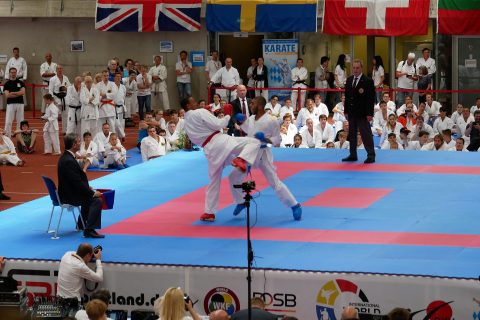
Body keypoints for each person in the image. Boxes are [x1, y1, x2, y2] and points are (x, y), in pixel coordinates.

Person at [183, 96, 261, 222]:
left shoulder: (186, 123)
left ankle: (209, 212)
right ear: (187, 105)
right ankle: (241, 159)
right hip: (222, 142)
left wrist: (212, 113)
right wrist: (227, 115)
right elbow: (219, 124)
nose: (196, 102)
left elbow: (199, 135)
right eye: (192, 101)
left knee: (214, 181)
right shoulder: (200, 112)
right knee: (254, 142)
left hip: (210, 150)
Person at [230, 96, 302, 220]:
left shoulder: (271, 120)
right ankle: (241, 201)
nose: (250, 105)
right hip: (249, 154)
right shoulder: (251, 118)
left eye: (252, 103)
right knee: (233, 176)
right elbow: (249, 130)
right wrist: (242, 122)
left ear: (259, 106)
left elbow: (278, 139)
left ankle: (295, 205)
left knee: (275, 183)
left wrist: (265, 139)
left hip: (263, 154)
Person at [58, 134, 104, 238]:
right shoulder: (68, 161)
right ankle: (89, 229)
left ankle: (81, 224)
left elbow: (75, 181)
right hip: (69, 196)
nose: (80, 143)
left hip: (69, 191)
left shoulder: (67, 157)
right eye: (78, 142)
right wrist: (91, 192)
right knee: (96, 200)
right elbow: (76, 182)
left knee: (88, 196)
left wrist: (87, 189)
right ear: (74, 145)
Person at [342, 59, 376, 163]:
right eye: (354, 68)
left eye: (357, 68)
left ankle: (371, 155)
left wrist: (370, 113)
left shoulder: (368, 81)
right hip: (351, 112)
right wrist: (346, 111)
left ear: (361, 68)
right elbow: (347, 97)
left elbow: (371, 99)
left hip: (363, 113)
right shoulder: (349, 80)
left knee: (366, 134)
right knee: (352, 134)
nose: (355, 70)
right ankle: (353, 154)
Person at [3, 67, 25, 137]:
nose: (13, 74)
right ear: (9, 73)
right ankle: (7, 138)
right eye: (12, 72)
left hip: (20, 104)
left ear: (16, 73)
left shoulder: (20, 82)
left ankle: (20, 138)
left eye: (14, 72)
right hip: (10, 104)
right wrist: (18, 93)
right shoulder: (7, 84)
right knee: (8, 122)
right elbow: (7, 95)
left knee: (20, 122)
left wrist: (13, 93)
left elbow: (23, 92)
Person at [49, 64, 71, 134]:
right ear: (56, 70)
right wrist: (52, 100)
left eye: (61, 68)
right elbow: (50, 90)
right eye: (58, 69)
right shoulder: (52, 79)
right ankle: (54, 130)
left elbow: (70, 87)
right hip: (56, 99)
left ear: (62, 69)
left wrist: (66, 88)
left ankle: (65, 131)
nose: (60, 70)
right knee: (54, 116)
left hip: (65, 99)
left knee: (65, 116)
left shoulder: (66, 78)